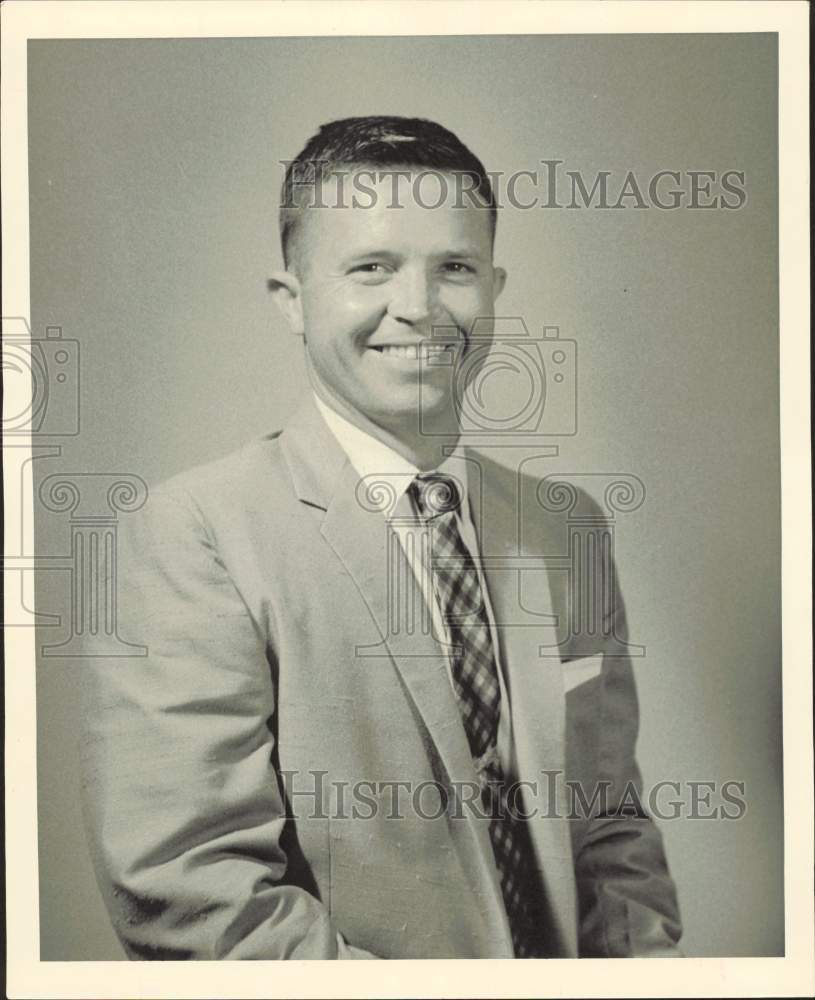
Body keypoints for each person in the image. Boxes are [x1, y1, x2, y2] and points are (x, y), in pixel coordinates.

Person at [80, 116, 682, 960]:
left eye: (456, 269)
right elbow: (189, 887)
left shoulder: (565, 524)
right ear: (291, 300)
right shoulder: (194, 531)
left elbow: (613, 828)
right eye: (370, 268)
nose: (419, 307)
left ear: (495, 287)